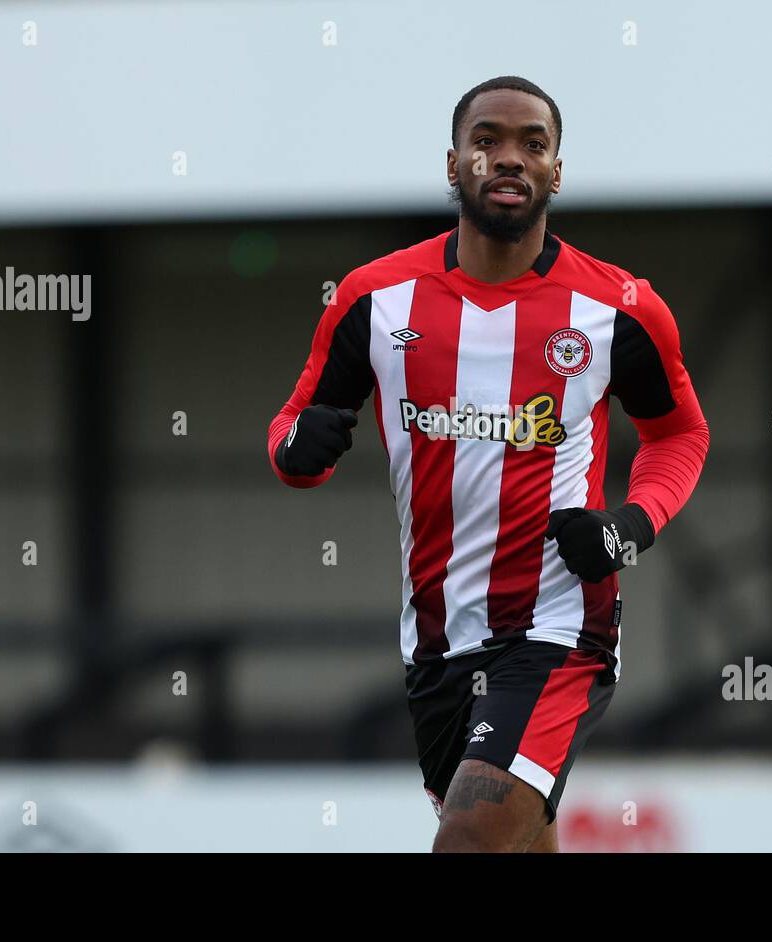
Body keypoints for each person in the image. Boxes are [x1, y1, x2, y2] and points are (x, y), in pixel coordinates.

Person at [268, 76, 710, 852]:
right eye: (487, 140)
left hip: (557, 625)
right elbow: (294, 429)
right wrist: (297, 451)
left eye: (532, 144)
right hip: (436, 640)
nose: (509, 158)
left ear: (556, 172)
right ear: (453, 164)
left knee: (469, 838)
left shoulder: (620, 310)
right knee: (514, 843)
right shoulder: (374, 300)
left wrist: (629, 528)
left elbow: (679, 435)